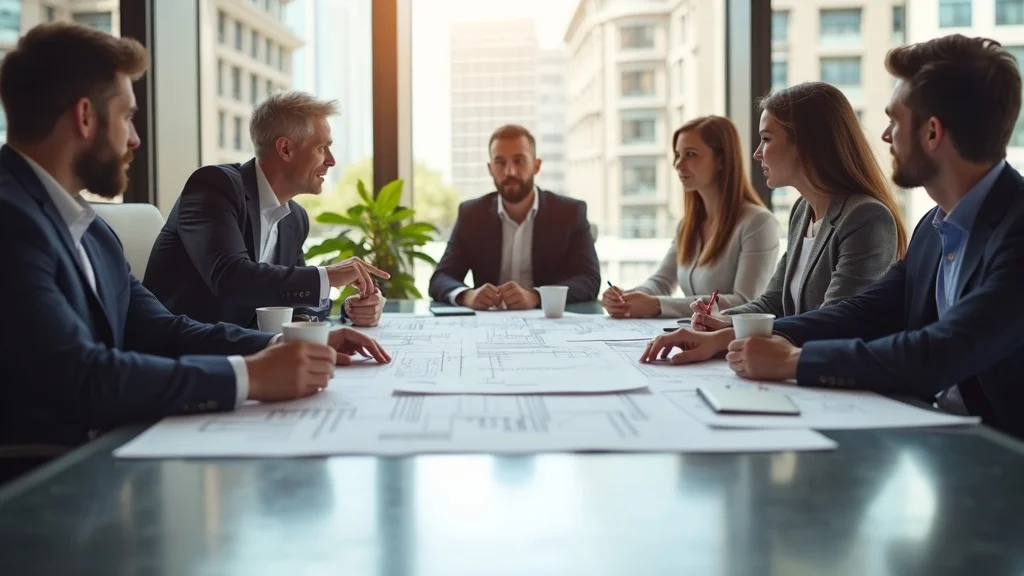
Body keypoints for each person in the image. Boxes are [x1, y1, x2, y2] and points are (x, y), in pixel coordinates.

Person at [0, 23, 390, 449]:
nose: (135, 139)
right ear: (85, 116)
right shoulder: (11, 221)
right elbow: (82, 379)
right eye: (128, 117)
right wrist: (251, 376)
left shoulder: (91, 230)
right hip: (42, 483)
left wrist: (282, 343)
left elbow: (164, 330)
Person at [643, 35, 1024, 439]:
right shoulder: (934, 228)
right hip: (943, 437)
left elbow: (940, 350)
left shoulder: (1016, 230)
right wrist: (728, 337)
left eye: (895, 121)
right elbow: (862, 312)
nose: (885, 136)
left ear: (932, 133)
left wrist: (795, 361)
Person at [684, 83, 907, 348]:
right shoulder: (802, 211)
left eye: (766, 139)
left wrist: (730, 334)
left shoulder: (867, 218)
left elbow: (836, 323)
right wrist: (723, 320)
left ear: (806, 144)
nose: (757, 153)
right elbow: (774, 301)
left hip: (838, 379)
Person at [144, 91, 386, 329]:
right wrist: (329, 276)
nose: (331, 160)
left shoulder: (295, 218)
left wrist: (346, 310)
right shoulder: (214, 186)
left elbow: (294, 294)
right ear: (285, 150)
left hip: (249, 351)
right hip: (182, 355)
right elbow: (231, 278)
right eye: (322, 148)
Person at [601, 116, 779, 318]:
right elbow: (661, 281)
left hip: (730, 342)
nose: (679, 164)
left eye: (691, 154)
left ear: (721, 160)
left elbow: (746, 301)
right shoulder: (688, 225)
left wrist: (658, 305)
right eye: (677, 155)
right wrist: (625, 297)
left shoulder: (758, 223)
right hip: (694, 337)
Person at [428, 124, 601, 309]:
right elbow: (441, 278)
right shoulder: (471, 215)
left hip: (549, 325)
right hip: (488, 326)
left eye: (519, 161)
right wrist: (467, 296)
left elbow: (589, 280)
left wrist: (536, 296)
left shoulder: (569, 213)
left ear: (536, 166)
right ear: (490, 168)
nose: (509, 171)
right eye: (500, 162)